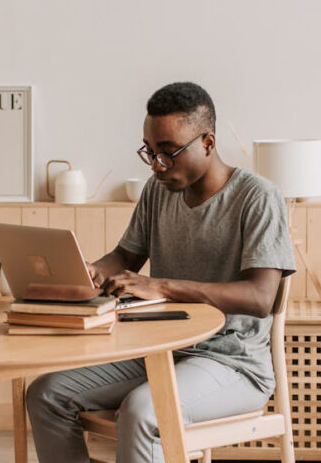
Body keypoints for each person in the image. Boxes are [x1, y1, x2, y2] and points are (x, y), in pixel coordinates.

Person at [26, 82, 296, 463]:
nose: (157, 165)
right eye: (150, 153)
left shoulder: (257, 196)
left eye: (168, 153)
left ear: (207, 141)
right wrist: (88, 272)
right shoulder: (158, 191)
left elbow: (259, 298)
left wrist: (163, 287)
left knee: (142, 411)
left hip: (233, 363)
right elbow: (125, 256)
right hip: (159, 352)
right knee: (46, 394)